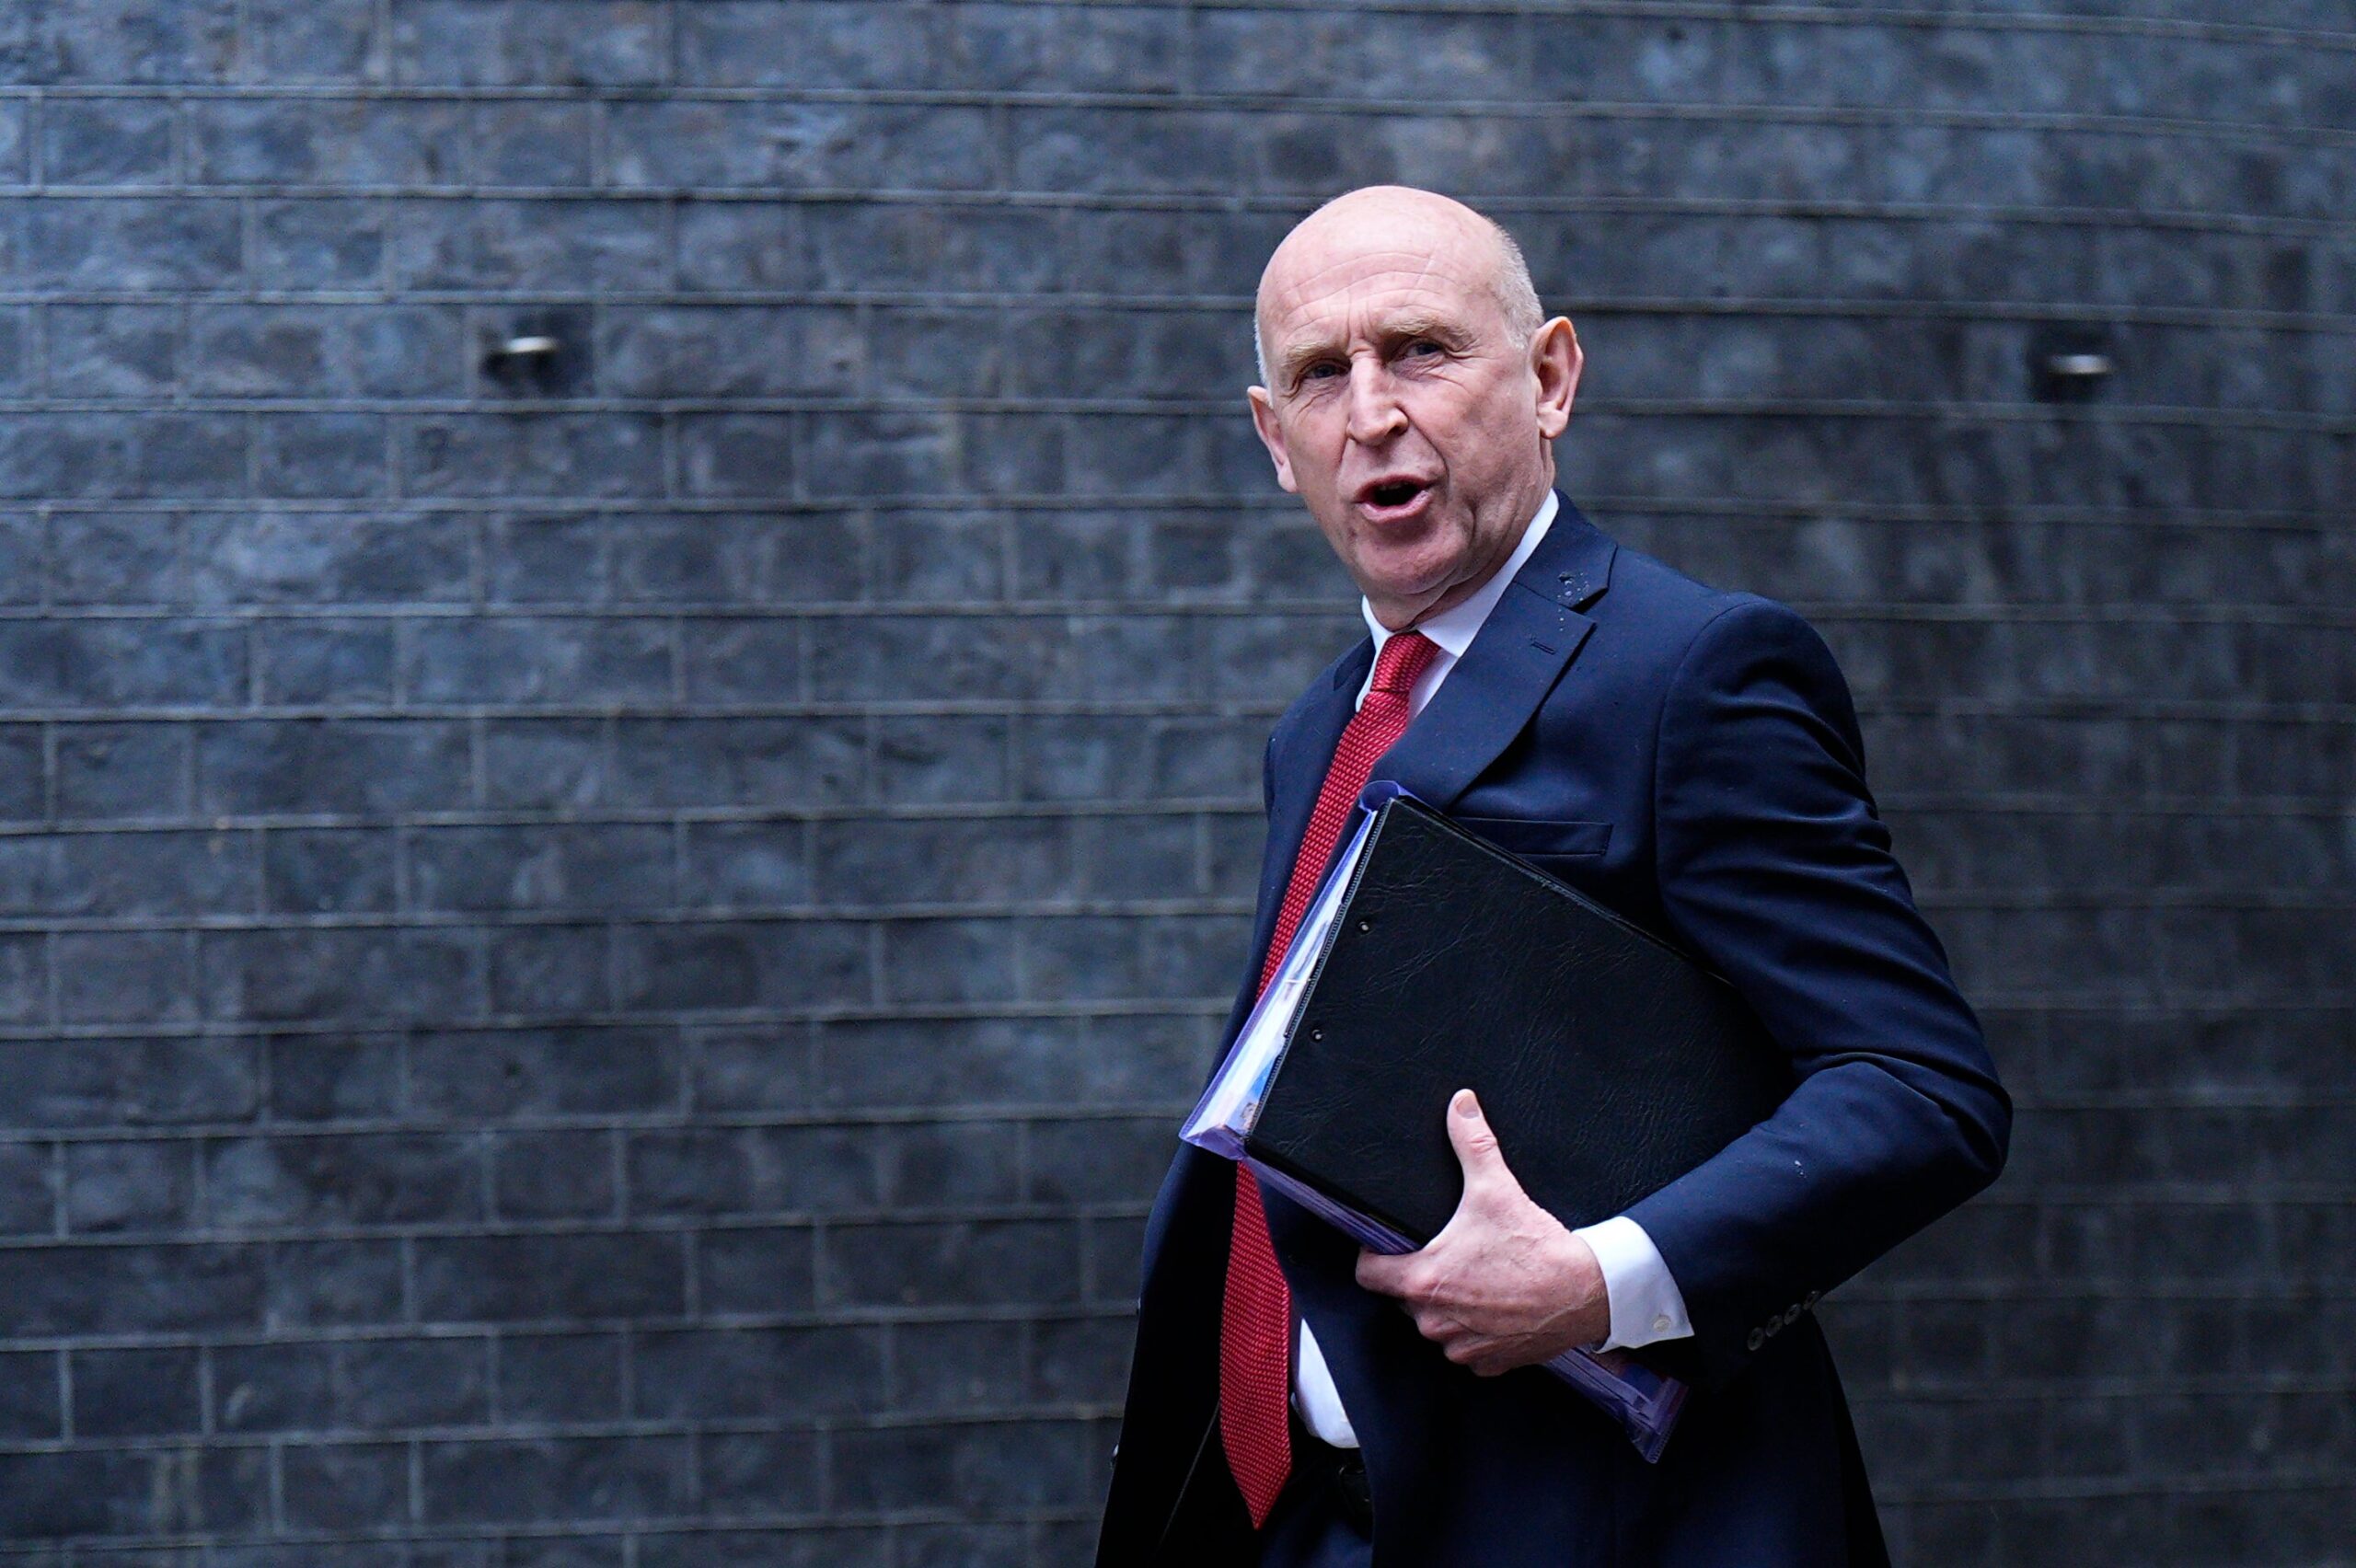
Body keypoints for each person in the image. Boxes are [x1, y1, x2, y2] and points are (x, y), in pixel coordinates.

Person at [1094, 185, 2011, 1567]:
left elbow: (1921, 1090)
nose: (1373, 412)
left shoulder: (1693, 672)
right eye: (1319, 377)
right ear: (1275, 443)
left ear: (1550, 377)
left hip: (1599, 1525)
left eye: (1421, 350)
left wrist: (1600, 1281)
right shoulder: (1320, 730)